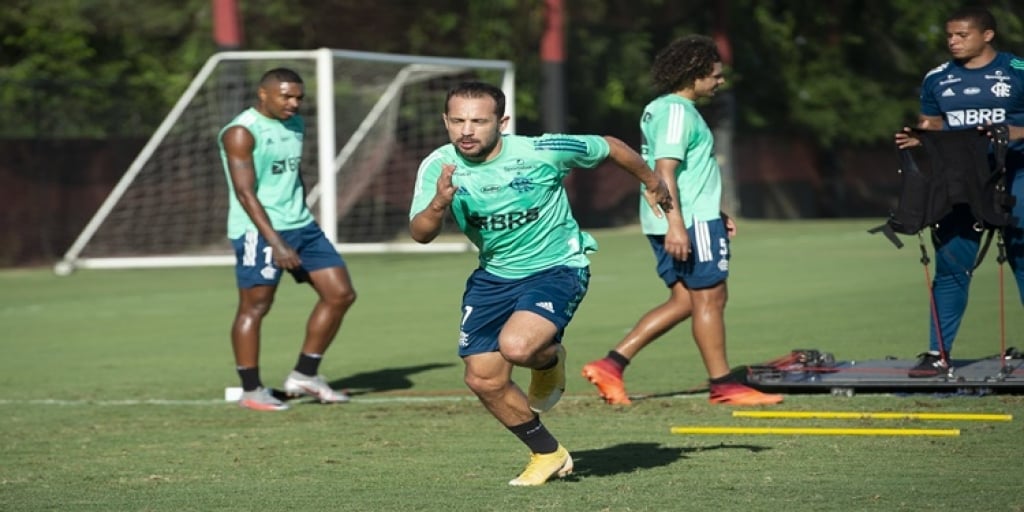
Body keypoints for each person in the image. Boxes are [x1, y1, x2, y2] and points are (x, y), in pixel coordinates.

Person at [408, 81, 673, 486]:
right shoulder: (438, 166)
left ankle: (547, 360)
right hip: (493, 275)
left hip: (557, 266)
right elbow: (420, 233)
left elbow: (609, 145)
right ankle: (548, 453)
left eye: (479, 121)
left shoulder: (541, 151)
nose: (466, 130)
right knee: (482, 377)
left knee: (517, 347)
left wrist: (651, 181)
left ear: (502, 122)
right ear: (445, 121)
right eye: (458, 121)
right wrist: (439, 203)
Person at [581, 35, 783, 406]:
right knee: (711, 298)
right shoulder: (676, 112)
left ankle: (611, 364)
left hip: (687, 216)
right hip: (687, 222)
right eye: (715, 75)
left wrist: (715, 211)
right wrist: (678, 225)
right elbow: (665, 171)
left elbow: (687, 173)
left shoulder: (665, 109)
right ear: (694, 75)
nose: (720, 81)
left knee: (685, 301)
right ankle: (723, 385)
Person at [894, 6, 1024, 378]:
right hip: (960, 185)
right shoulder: (937, 78)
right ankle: (937, 354)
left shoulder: (1018, 72)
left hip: (1016, 177)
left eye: (961, 35)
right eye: (949, 35)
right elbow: (932, 124)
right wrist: (918, 139)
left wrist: (1008, 133)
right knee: (951, 266)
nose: (953, 41)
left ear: (987, 35)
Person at [218, 68, 357, 411]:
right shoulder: (240, 132)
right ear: (263, 94)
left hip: (302, 225)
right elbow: (245, 193)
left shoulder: (295, 123)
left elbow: (293, 174)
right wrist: (276, 243)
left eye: (299, 97)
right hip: (259, 231)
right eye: (286, 96)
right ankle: (251, 390)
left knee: (340, 294)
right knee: (256, 306)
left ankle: (304, 375)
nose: (294, 104)